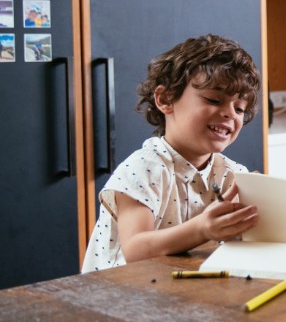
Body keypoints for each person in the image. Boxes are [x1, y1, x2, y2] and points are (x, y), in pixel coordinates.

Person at [82, 34, 262, 271]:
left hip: (179, 289)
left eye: (239, 108)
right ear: (166, 99)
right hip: (120, 294)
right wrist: (201, 228)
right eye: (214, 99)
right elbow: (135, 248)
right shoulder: (143, 169)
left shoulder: (233, 174)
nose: (230, 113)